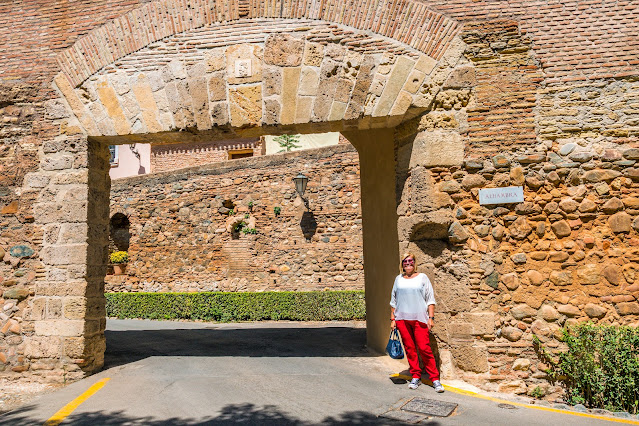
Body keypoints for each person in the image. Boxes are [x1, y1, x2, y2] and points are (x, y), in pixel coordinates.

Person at [390, 252, 444, 392]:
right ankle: (415, 375)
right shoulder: (398, 279)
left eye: (410, 261)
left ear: (415, 262)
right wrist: (392, 319)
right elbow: (393, 300)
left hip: (420, 318)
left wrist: (431, 318)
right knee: (409, 348)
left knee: (424, 348)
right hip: (402, 318)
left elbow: (430, 299)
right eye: (405, 261)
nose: (408, 263)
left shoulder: (422, 277)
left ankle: (435, 378)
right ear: (402, 264)